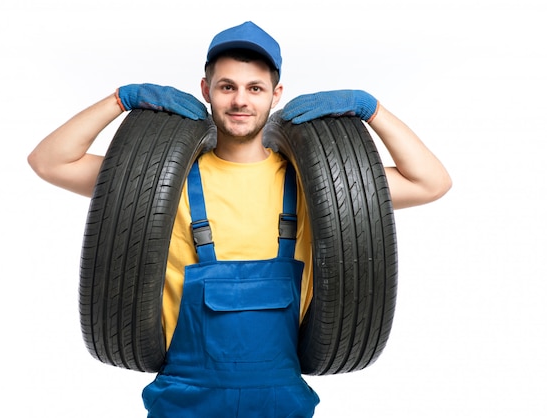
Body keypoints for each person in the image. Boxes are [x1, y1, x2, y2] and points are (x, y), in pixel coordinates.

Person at [28, 21, 451, 418]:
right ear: (206, 90)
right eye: (226, 86)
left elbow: (431, 182)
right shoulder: (155, 184)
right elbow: (49, 162)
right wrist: (119, 99)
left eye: (255, 88)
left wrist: (371, 108)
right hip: (182, 402)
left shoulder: (317, 186)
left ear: (276, 94)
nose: (240, 101)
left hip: (282, 402)